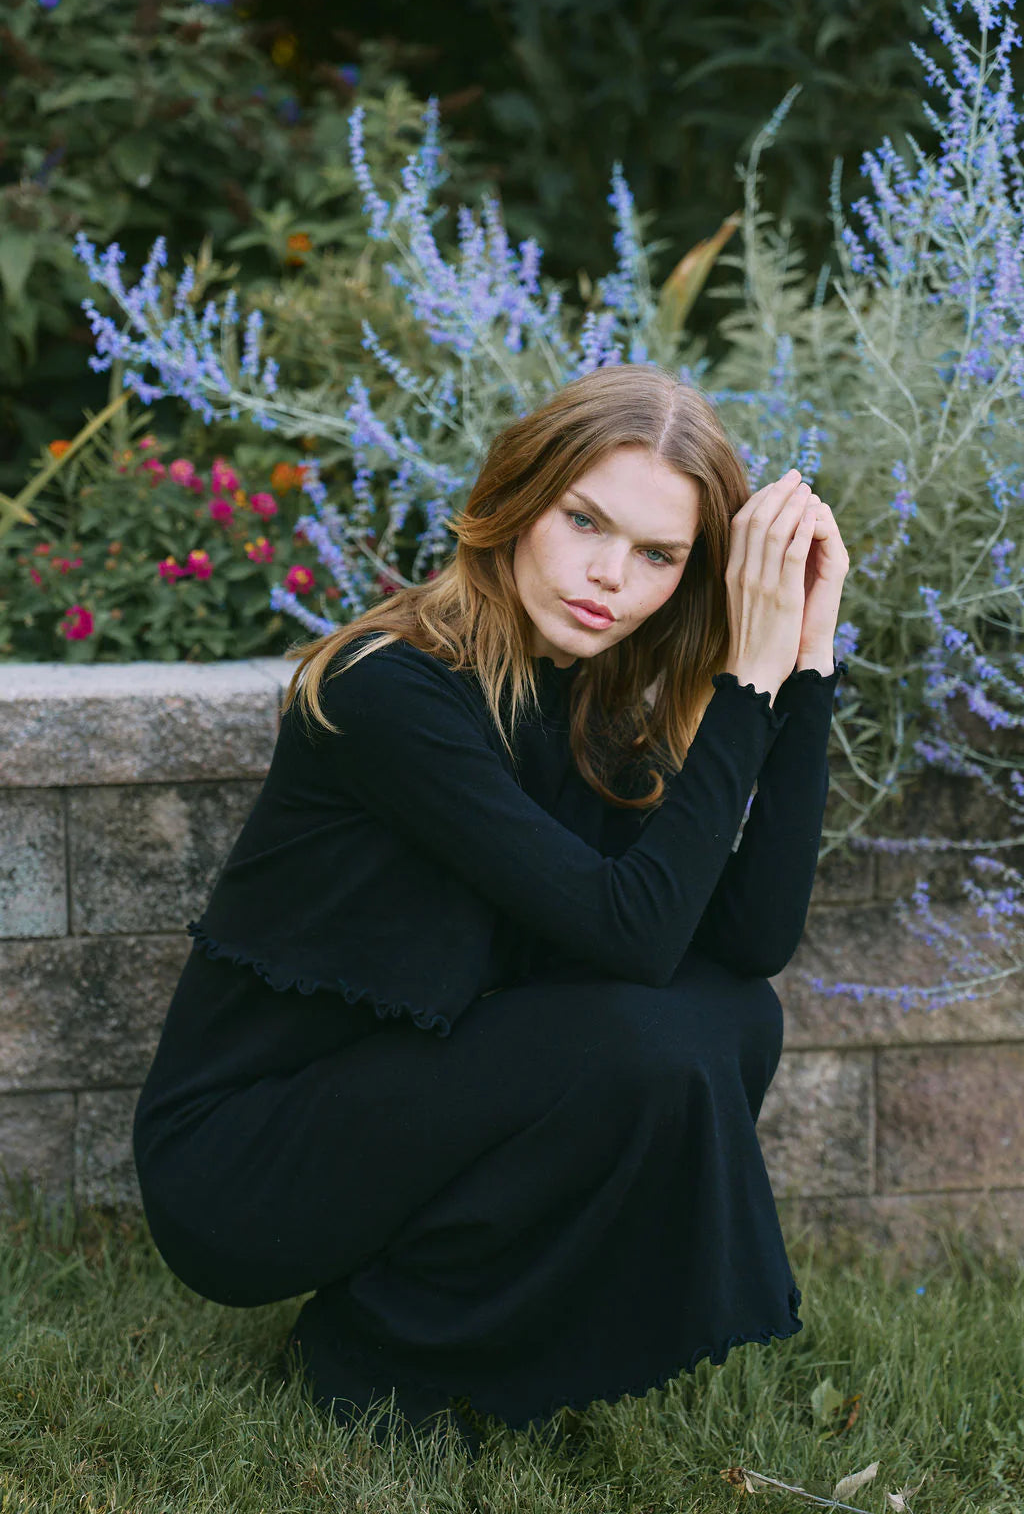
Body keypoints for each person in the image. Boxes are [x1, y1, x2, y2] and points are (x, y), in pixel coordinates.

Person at [132, 361, 850, 1455]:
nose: (608, 575)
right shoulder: (390, 690)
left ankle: (453, 1336)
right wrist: (743, 684)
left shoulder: (596, 703)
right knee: (637, 1041)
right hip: (245, 1160)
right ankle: (377, 1354)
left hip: (405, 1103)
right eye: (584, 521)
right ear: (518, 500)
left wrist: (803, 663)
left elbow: (748, 944)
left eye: (658, 555)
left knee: (731, 1015)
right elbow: (632, 933)